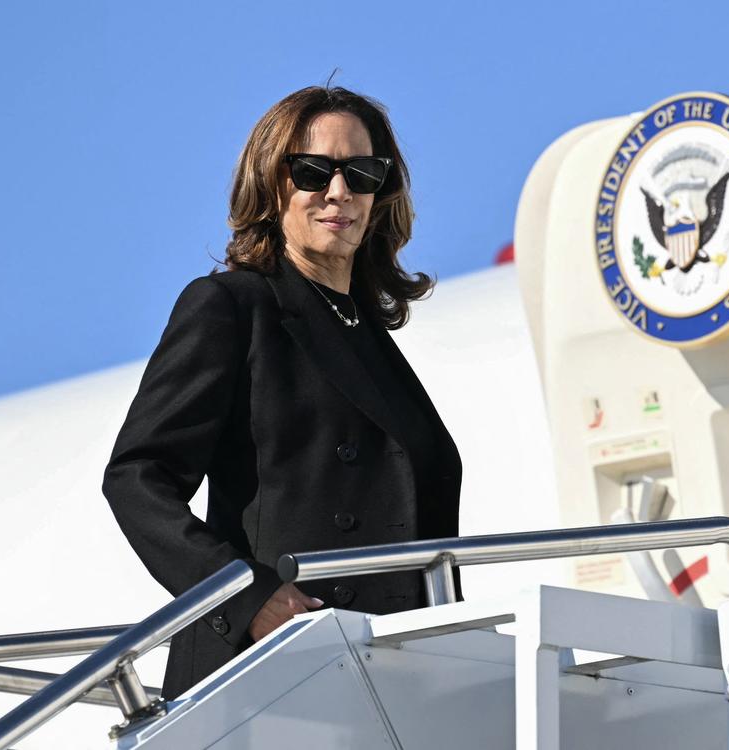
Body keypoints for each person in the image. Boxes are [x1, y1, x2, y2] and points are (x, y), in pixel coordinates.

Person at [101, 85, 462, 700]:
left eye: (363, 173)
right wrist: (249, 596)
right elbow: (137, 478)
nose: (339, 193)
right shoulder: (231, 307)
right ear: (272, 183)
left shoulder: (367, 335)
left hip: (397, 676)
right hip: (268, 669)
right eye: (314, 171)